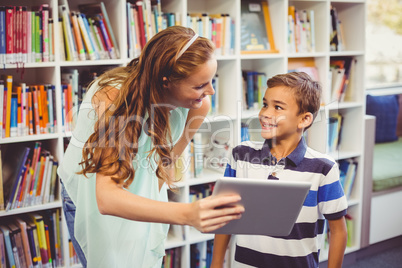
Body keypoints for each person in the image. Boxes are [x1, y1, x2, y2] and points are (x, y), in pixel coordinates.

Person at [58, 26, 244, 268]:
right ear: (166, 82)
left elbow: (164, 165)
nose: (210, 91)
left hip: (137, 185)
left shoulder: (199, 105)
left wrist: (140, 210)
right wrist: (188, 214)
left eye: (211, 81)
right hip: (89, 191)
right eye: (199, 85)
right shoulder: (115, 99)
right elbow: (106, 199)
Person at [211, 72, 348, 268]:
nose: (265, 113)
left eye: (277, 107)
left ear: (304, 120)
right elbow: (225, 217)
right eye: (265, 104)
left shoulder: (323, 169)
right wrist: (216, 264)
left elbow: (338, 230)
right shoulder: (240, 155)